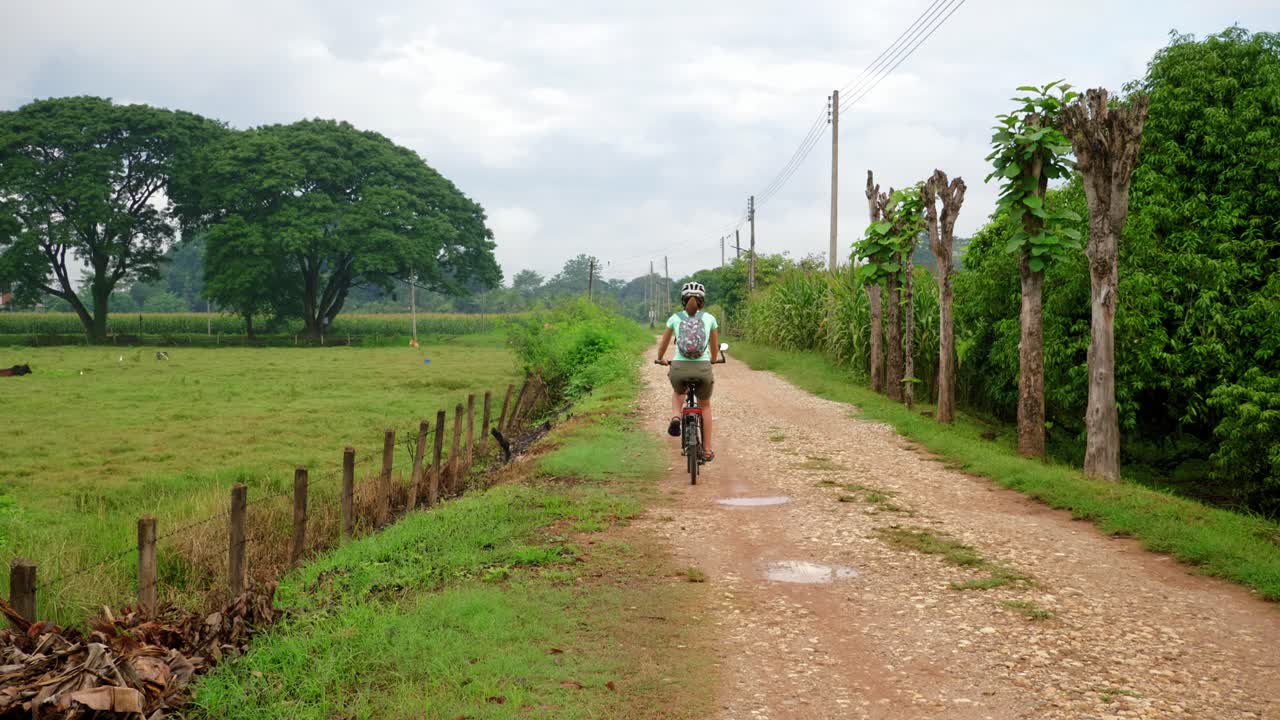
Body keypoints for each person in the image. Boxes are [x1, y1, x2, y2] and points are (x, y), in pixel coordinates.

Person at [656, 281, 720, 461]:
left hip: (679, 368)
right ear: (702, 300)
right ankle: (707, 450)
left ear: (683, 300)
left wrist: (661, 358)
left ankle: (676, 416)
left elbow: (663, 344)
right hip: (703, 368)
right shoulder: (710, 319)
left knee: (678, 392)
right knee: (705, 405)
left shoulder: (675, 318)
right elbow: (714, 349)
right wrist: (713, 359)